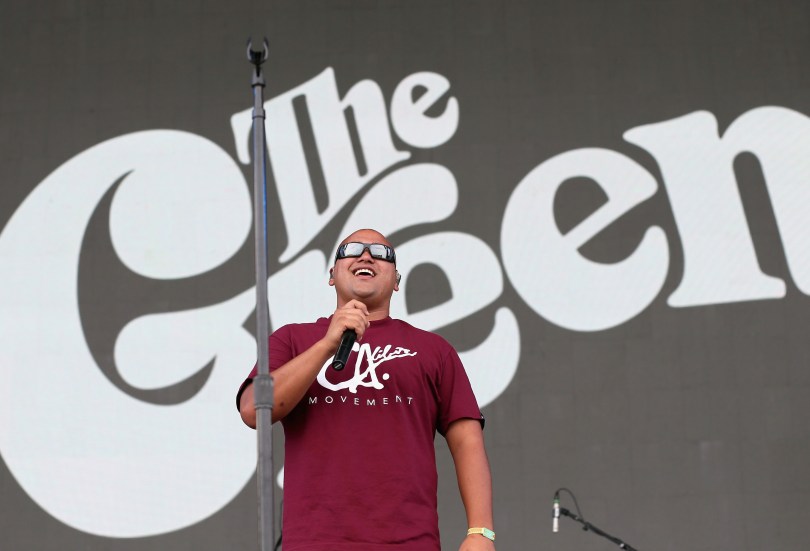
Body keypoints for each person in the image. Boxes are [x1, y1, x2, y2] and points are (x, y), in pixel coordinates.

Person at [237, 229, 496, 551]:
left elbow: (467, 440)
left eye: (381, 253)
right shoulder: (292, 340)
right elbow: (253, 410)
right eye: (352, 250)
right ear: (332, 275)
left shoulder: (434, 349)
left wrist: (480, 532)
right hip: (314, 542)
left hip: (409, 542)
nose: (366, 256)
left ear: (397, 281)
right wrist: (326, 345)